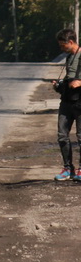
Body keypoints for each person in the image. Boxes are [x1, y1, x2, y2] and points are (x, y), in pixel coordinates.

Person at [54, 28, 81, 181]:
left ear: (70, 42)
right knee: (62, 136)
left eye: (62, 45)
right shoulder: (69, 57)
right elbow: (69, 78)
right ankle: (67, 168)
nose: (61, 48)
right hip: (66, 101)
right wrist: (59, 86)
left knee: (80, 136)